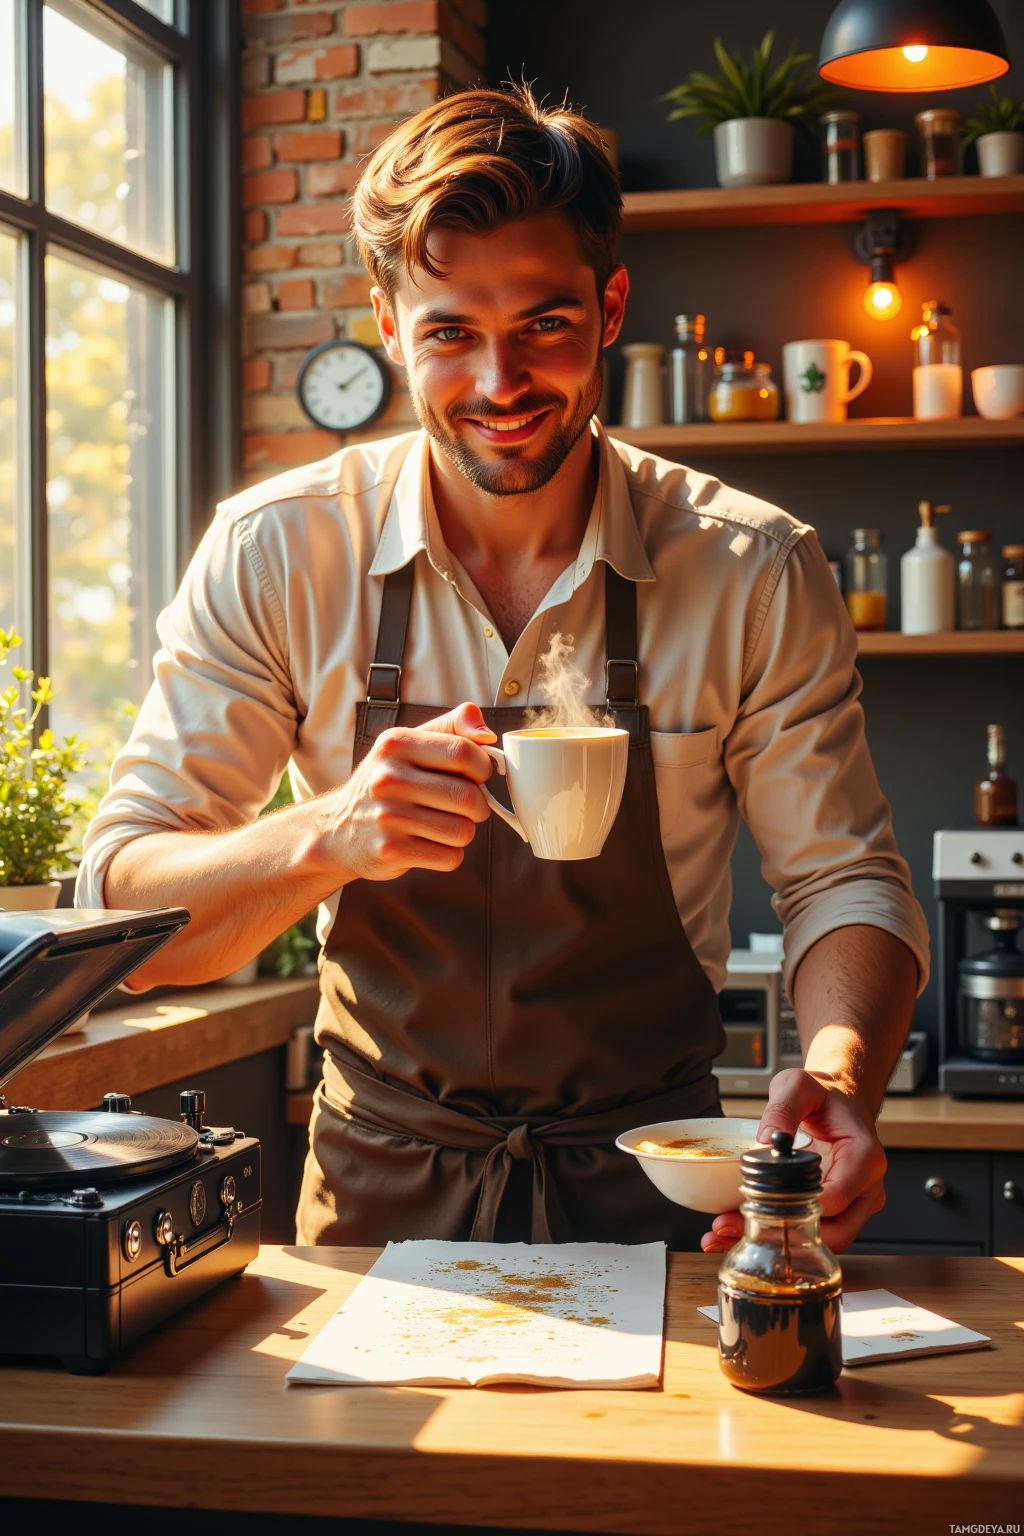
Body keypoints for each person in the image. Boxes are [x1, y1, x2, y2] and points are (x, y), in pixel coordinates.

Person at [77, 85, 928, 1254]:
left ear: (611, 304)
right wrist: (323, 835)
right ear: (386, 323)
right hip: (377, 1200)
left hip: (662, 1199)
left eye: (543, 323)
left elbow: (844, 882)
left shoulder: (753, 570)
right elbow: (122, 912)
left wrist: (839, 1076)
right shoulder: (278, 551)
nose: (499, 382)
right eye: (448, 334)